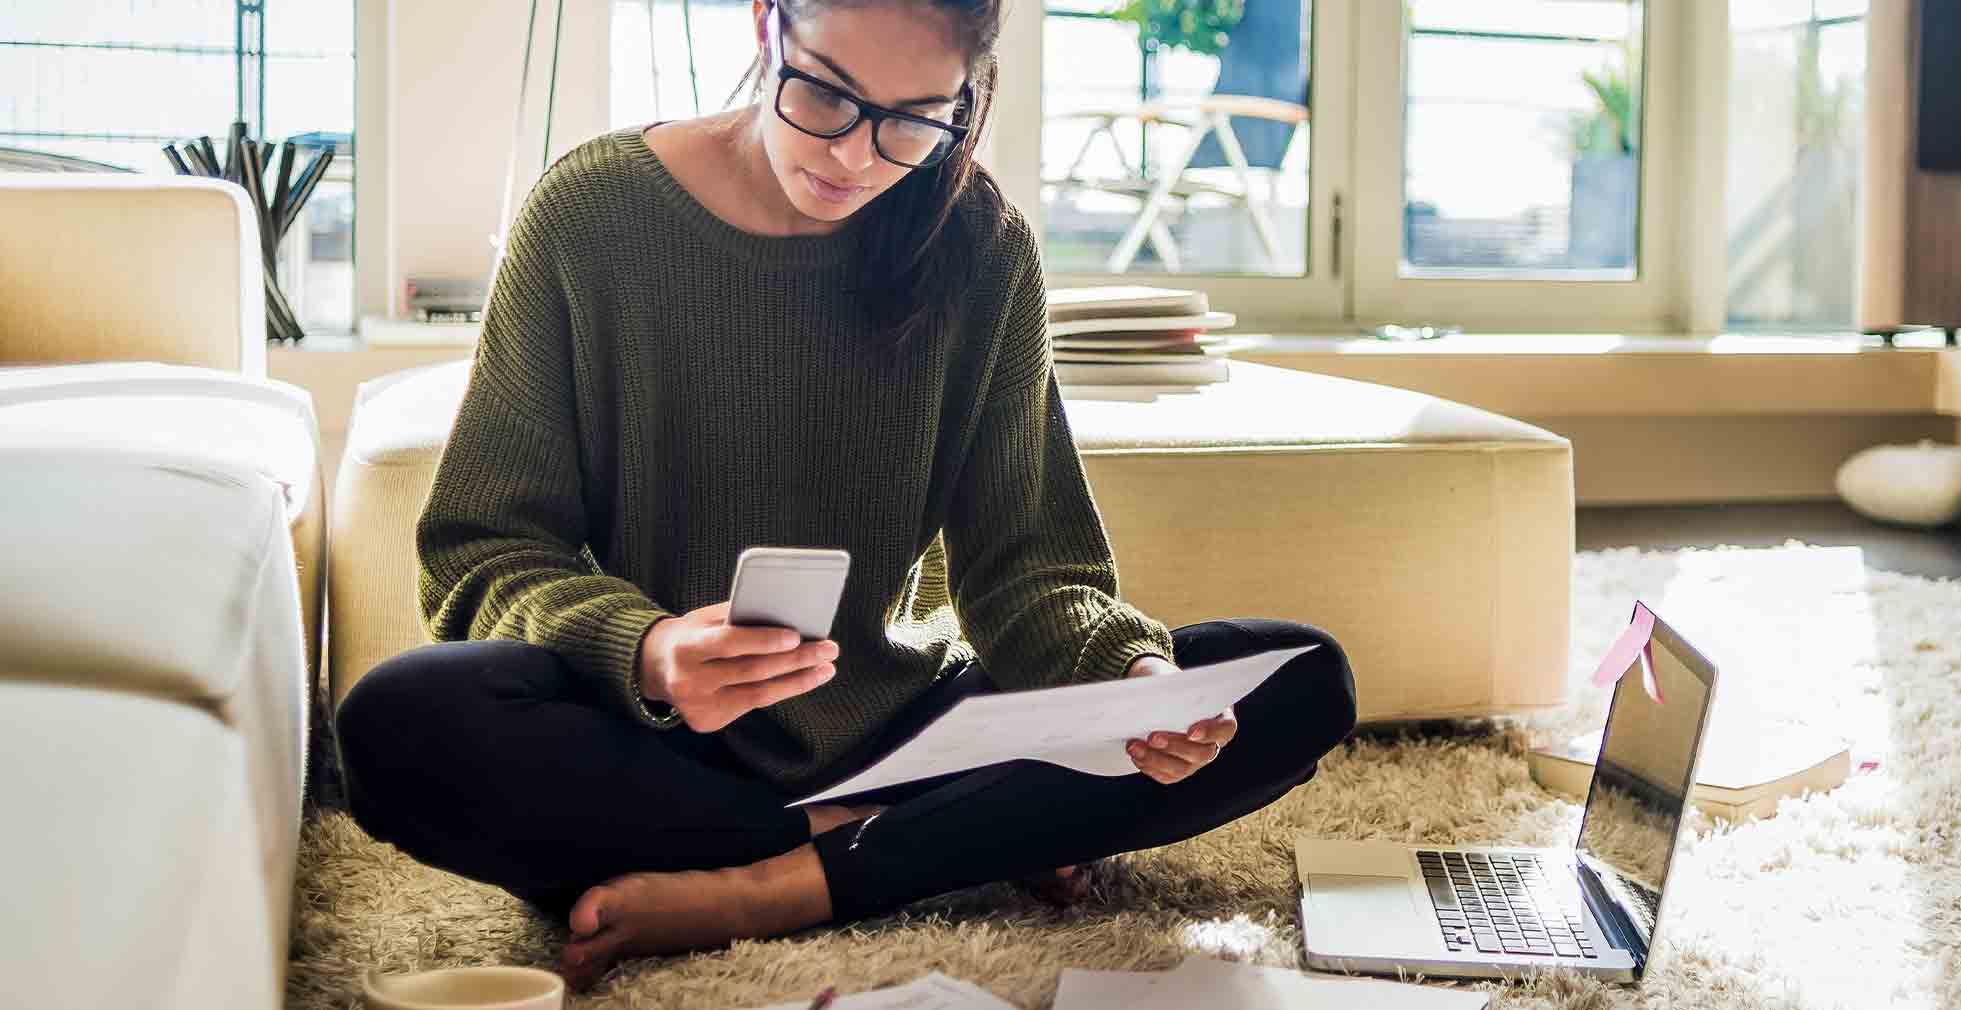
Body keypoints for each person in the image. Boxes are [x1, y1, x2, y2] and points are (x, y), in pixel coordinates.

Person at [333, 0, 1356, 990]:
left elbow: (1028, 569)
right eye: (825, 95)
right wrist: (647, 651)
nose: (855, 156)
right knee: (398, 722)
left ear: (967, 95)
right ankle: (922, 840)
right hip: (663, 748)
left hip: (910, 726)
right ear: (764, 24)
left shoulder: (982, 249)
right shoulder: (590, 216)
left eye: (916, 119)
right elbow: (484, 547)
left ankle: (774, 885)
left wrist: (1128, 673)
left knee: (1299, 679)